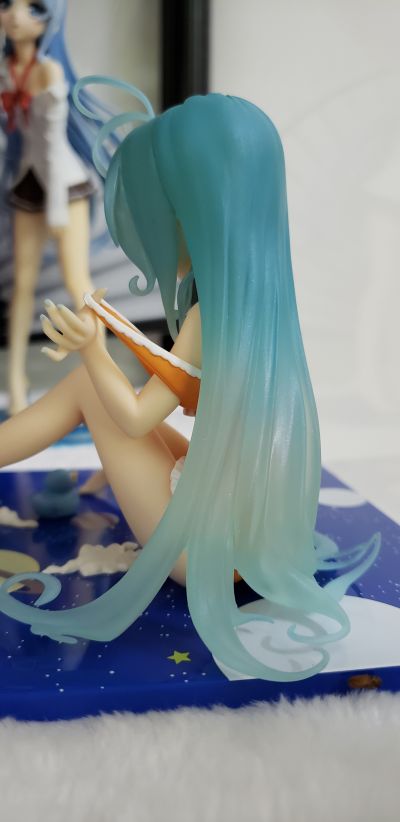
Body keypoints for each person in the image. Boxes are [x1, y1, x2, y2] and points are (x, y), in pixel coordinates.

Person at [0, 83, 380, 681]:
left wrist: (93, 350)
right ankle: (104, 470)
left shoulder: (206, 318)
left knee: (84, 389)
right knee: (119, 410)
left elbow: (133, 420)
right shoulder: (267, 305)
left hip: (199, 553)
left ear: (195, 214)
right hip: (257, 540)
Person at [0, 0, 109, 414]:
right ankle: (16, 381)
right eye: (7, 4)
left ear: (51, 17)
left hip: (63, 183)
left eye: (32, 7)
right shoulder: (8, 68)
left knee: (78, 280)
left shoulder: (49, 71)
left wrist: (58, 206)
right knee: (21, 285)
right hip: (29, 180)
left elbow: (50, 142)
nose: (15, 15)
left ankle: (104, 378)